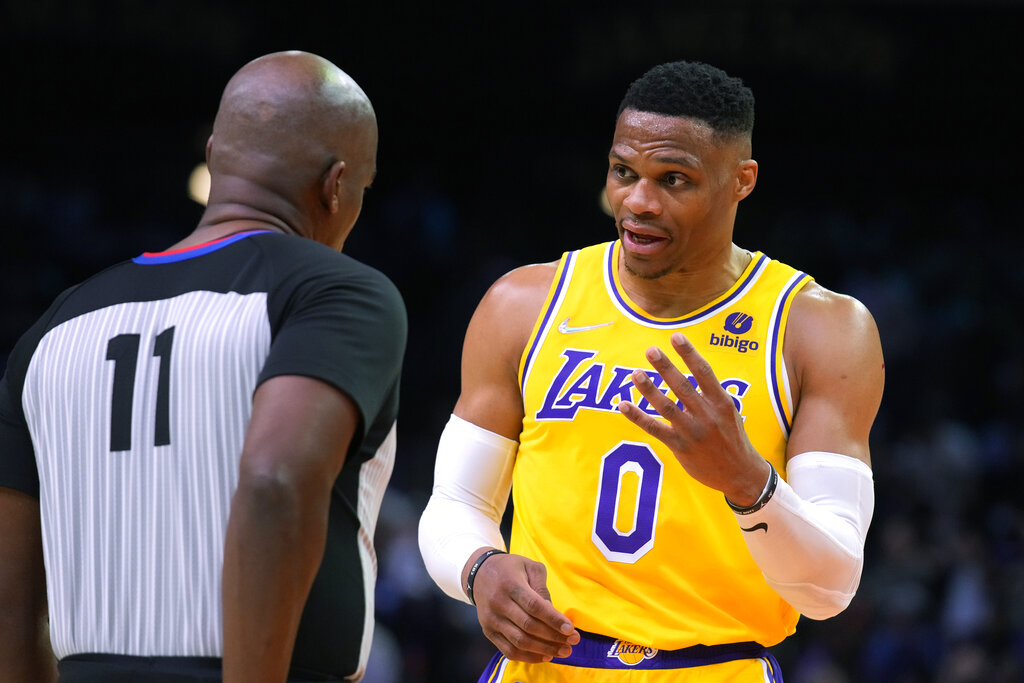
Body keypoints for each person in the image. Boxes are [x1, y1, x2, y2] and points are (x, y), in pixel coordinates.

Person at [418, 60, 883, 682]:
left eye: (674, 179)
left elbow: (830, 590)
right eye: (623, 173)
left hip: (718, 667)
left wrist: (747, 480)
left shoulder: (819, 328)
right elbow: (455, 501)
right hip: (545, 666)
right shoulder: (523, 303)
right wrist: (478, 568)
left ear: (741, 180)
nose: (639, 201)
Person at [0, 51, 406, 683]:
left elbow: (11, 606)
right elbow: (275, 480)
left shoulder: (52, 328)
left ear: (216, 154)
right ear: (336, 184)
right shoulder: (336, 294)